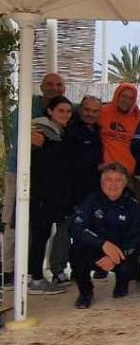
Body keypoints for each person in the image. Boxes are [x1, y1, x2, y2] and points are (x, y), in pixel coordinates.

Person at [3, 72, 65, 283]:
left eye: (59, 84)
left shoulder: (62, 114)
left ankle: (32, 270)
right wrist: (28, 137)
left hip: (43, 180)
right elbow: (16, 137)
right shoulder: (27, 109)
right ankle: (9, 270)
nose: (54, 88)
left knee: (39, 227)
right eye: (50, 84)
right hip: (19, 171)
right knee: (14, 221)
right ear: (41, 87)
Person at [68, 163, 140, 308]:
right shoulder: (91, 200)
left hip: (121, 251)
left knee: (132, 260)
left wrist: (114, 257)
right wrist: (102, 244)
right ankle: (85, 292)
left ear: (124, 183)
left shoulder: (134, 205)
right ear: (102, 183)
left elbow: (136, 237)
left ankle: (122, 282)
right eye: (109, 180)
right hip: (97, 247)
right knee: (76, 250)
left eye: (118, 180)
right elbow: (77, 227)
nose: (113, 185)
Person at [27, 96, 75, 295]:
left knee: (45, 234)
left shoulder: (59, 133)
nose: (65, 115)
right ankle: (35, 280)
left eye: (68, 111)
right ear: (49, 112)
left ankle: (36, 276)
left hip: (53, 194)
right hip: (41, 193)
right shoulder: (39, 131)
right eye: (60, 111)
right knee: (39, 235)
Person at [63, 95, 104, 281]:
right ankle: (77, 270)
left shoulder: (97, 130)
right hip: (75, 190)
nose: (90, 114)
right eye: (87, 110)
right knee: (77, 232)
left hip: (96, 190)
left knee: (97, 228)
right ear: (80, 109)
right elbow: (70, 161)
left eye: (95, 111)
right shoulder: (70, 130)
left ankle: (97, 265)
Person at [99, 82, 140, 176]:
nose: (126, 101)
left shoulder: (139, 118)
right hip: (104, 170)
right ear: (117, 96)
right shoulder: (102, 112)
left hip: (127, 172)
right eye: (124, 96)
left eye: (130, 98)